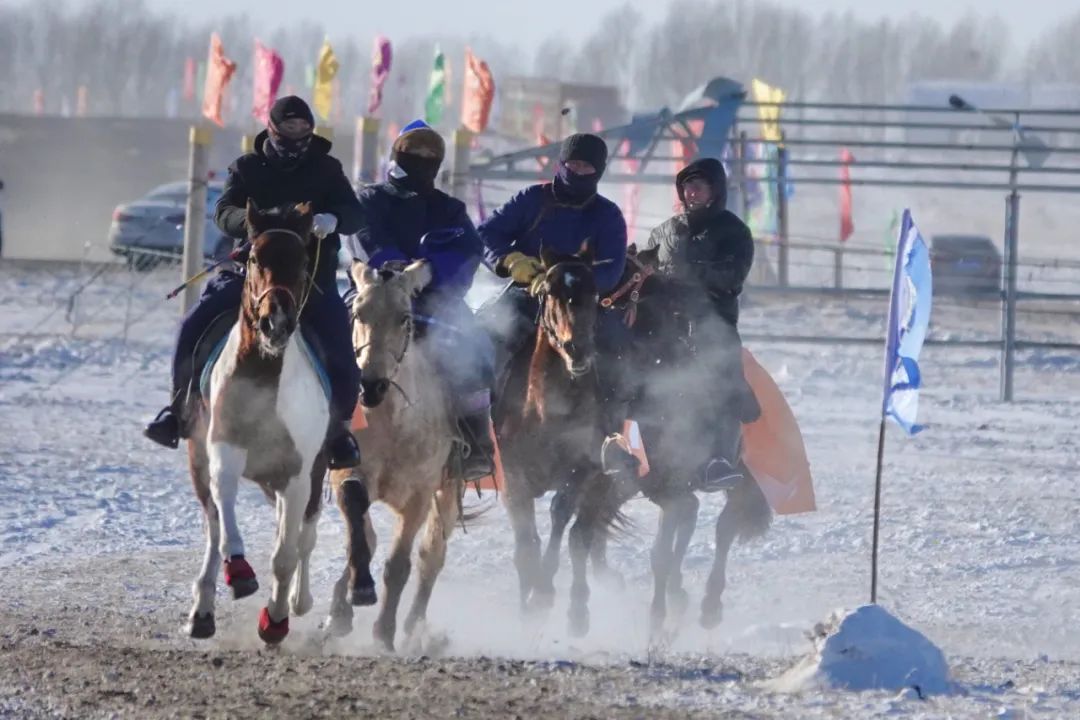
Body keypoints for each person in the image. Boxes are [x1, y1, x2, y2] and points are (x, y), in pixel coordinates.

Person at [144, 96, 363, 469]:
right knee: (193, 327)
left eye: (303, 129)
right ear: (274, 129)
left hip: (311, 281)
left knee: (342, 349)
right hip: (251, 278)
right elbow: (223, 211)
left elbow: (354, 211)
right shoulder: (247, 167)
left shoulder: (326, 169)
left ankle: (339, 431)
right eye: (289, 128)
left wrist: (333, 219)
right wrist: (249, 224)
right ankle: (179, 409)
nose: (297, 136)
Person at [348, 119, 495, 481]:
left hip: (433, 302)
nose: (420, 161)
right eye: (413, 153)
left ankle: (474, 440)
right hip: (374, 294)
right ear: (397, 154)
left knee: (474, 352)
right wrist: (393, 266)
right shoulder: (371, 198)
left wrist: (428, 272)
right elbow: (361, 235)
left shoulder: (450, 210)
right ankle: (326, 432)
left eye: (429, 156)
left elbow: (468, 253)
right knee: (327, 340)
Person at [477, 132, 630, 435]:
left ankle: (612, 437)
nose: (579, 172)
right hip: (526, 295)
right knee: (484, 340)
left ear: (598, 171)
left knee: (619, 347)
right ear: (560, 164)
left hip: (584, 304)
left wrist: (575, 285)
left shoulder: (608, 214)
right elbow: (485, 235)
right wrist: (512, 261)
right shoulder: (532, 199)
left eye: (587, 167)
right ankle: (479, 427)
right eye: (573, 164)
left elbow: (613, 268)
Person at [643, 157, 761, 488]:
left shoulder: (734, 231)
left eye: (699, 186)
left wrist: (686, 273)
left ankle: (719, 460)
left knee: (723, 387)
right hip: (663, 325)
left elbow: (732, 277)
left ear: (715, 190)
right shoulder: (664, 231)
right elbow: (643, 268)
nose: (691, 193)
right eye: (687, 187)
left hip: (712, 325)